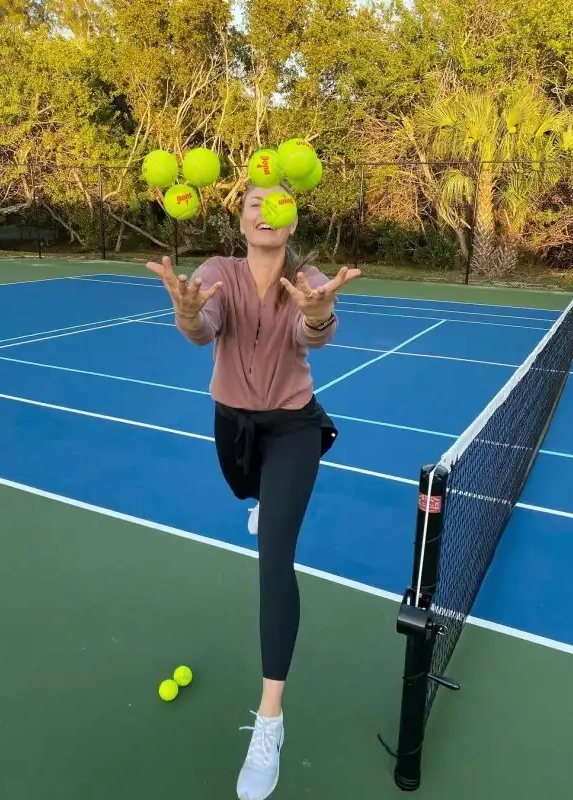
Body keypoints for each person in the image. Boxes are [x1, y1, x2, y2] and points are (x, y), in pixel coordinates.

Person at [147, 183, 361, 800]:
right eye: (252, 204)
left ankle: (270, 720)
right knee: (246, 489)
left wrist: (317, 313)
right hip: (233, 426)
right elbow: (203, 325)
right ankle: (264, 499)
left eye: (277, 205)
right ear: (239, 220)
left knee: (274, 563)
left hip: (293, 425)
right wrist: (188, 312)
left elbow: (311, 331)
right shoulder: (219, 271)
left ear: (292, 222)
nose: (264, 213)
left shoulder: (307, 279)